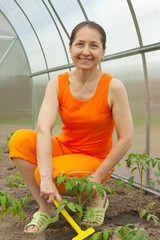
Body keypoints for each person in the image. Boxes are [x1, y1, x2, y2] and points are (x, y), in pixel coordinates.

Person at [9, 21, 133, 233]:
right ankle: (46, 208)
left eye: (94, 46)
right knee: (19, 141)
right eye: (80, 44)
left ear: (103, 52)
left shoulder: (113, 87)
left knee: (45, 173)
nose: (86, 51)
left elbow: (126, 139)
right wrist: (46, 178)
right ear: (70, 48)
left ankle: (96, 196)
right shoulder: (57, 83)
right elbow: (44, 129)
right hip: (66, 148)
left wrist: (96, 177)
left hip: (96, 160)